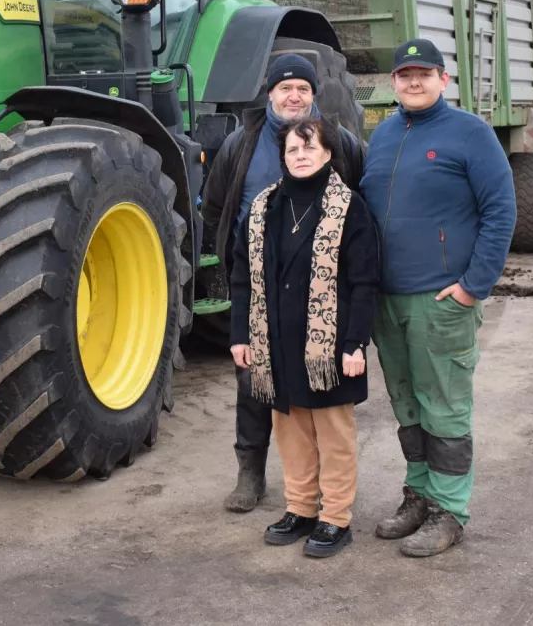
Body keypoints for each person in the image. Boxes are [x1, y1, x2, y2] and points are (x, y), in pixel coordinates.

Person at [359, 38, 516, 557]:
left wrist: (473, 287)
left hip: (442, 300)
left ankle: (451, 510)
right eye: (404, 75)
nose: (413, 82)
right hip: (389, 302)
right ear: (394, 83)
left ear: (443, 79)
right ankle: (420, 496)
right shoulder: (382, 134)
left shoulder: (470, 133)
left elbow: (501, 212)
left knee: (445, 409)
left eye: (424, 74)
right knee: (407, 406)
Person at [201, 52, 366, 513]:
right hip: (260, 288)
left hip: (323, 295)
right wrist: (240, 261)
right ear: (269, 93)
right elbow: (215, 206)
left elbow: (363, 202)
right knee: (256, 384)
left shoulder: (342, 143)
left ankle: (327, 501)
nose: (294, 96)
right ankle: (250, 475)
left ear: (314, 95)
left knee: (321, 393)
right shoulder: (241, 144)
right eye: (284, 88)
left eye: (303, 89)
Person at [228, 116, 379, 558]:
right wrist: (242, 335)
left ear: (328, 153)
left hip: (329, 347)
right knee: (290, 429)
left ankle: (335, 517)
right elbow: (242, 278)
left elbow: (365, 282)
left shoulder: (349, 208)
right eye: (293, 150)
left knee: (332, 433)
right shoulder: (263, 209)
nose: (300, 156)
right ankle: (300, 508)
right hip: (275, 344)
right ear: (283, 156)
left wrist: (355, 343)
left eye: (309, 149)